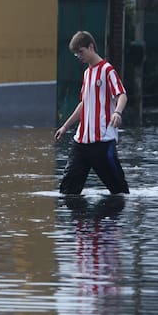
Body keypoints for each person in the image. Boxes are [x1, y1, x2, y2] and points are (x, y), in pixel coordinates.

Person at [55, 30, 129, 195]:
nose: (79, 56)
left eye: (81, 52)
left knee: (119, 193)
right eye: (76, 54)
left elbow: (122, 95)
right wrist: (65, 127)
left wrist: (117, 112)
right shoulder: (87, 73)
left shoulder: (107, 70)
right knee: (67, 192)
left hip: (102, 142)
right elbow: (83, 105)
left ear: (91, 47)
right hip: (81, 143)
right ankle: (78, 221)